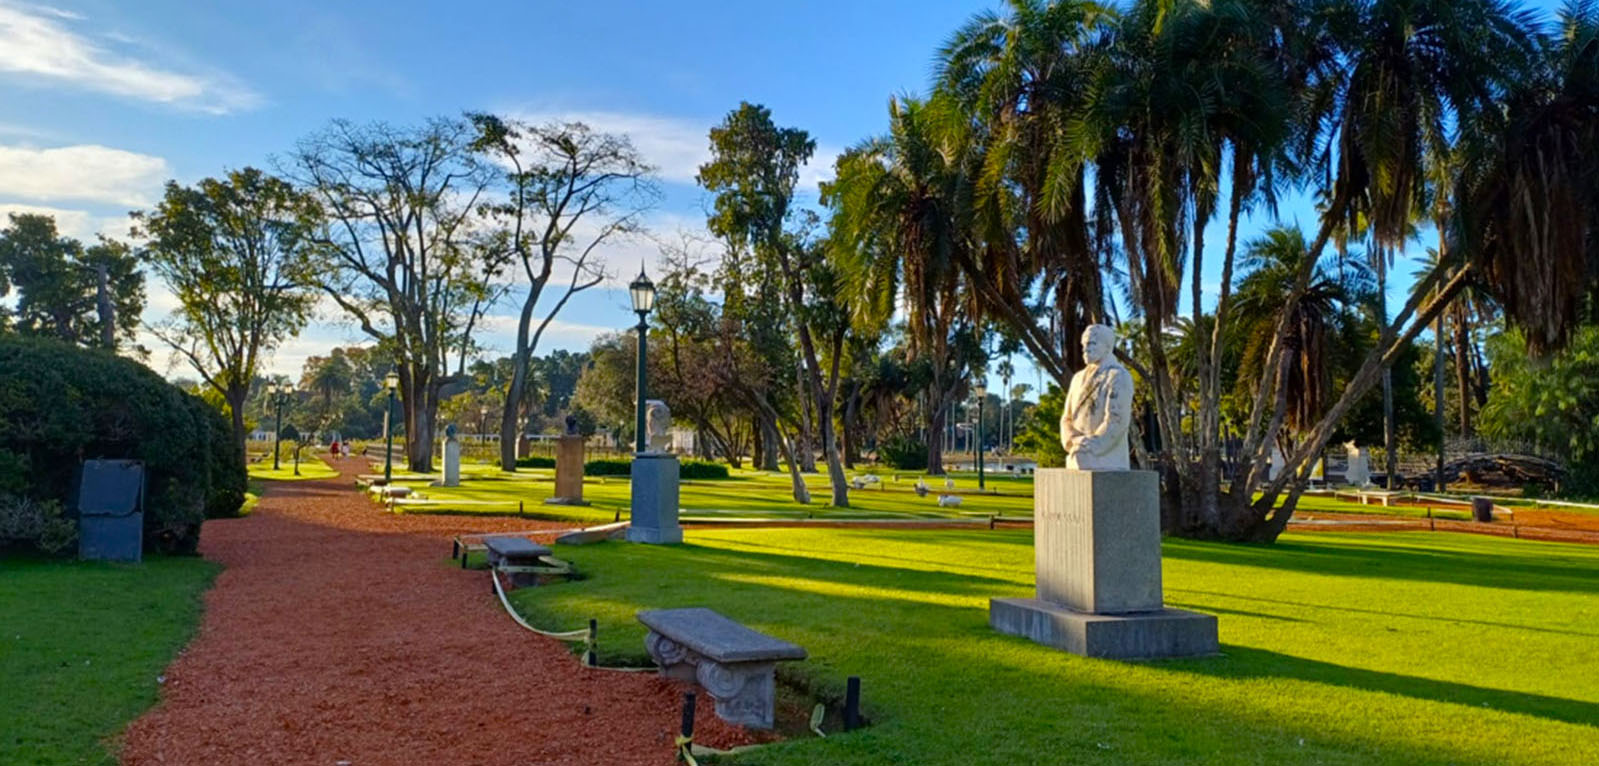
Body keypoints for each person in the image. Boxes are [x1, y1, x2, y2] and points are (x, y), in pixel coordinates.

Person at [1059, 324, 1133, 470]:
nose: (1086, 348)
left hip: (1105, 455)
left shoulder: (1118, 376)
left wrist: (1092, 446)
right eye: (1084, 344)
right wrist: (1072, 440)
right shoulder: (1077, 378)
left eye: (1092, 343)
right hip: (1078, 449)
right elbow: (1066, 418)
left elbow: (1117, 420)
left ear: (1107, 346)